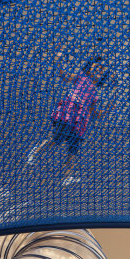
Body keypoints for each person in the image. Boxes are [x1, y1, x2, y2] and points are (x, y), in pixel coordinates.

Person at [25, 53, 110, 185]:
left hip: (80, 120)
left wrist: (108, 109)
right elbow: (64, 76)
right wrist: (58, 60)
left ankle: (67, 176)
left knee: (73, 149)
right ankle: (35, 152)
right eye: (97, 67)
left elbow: (95, 114)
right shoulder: (81, 77)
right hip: (69, 112)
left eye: (102, 70)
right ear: (89, 67)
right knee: (56, 138)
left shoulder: (95, 93)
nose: (100, 70)